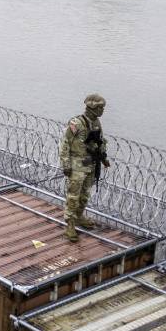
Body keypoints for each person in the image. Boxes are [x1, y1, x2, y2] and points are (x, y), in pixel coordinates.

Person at [59, 94, 111, 242]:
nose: (102, 111)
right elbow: (64, 144)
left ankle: (79, 216)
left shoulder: (96, 123)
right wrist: (66, 165)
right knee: (73, 196)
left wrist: (103, 158)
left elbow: (100, 142)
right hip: (77, 166)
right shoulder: (77, 123)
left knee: (85, 195)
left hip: (90, 165)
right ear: (92, 108)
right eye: (100, 108)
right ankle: (69, 223)